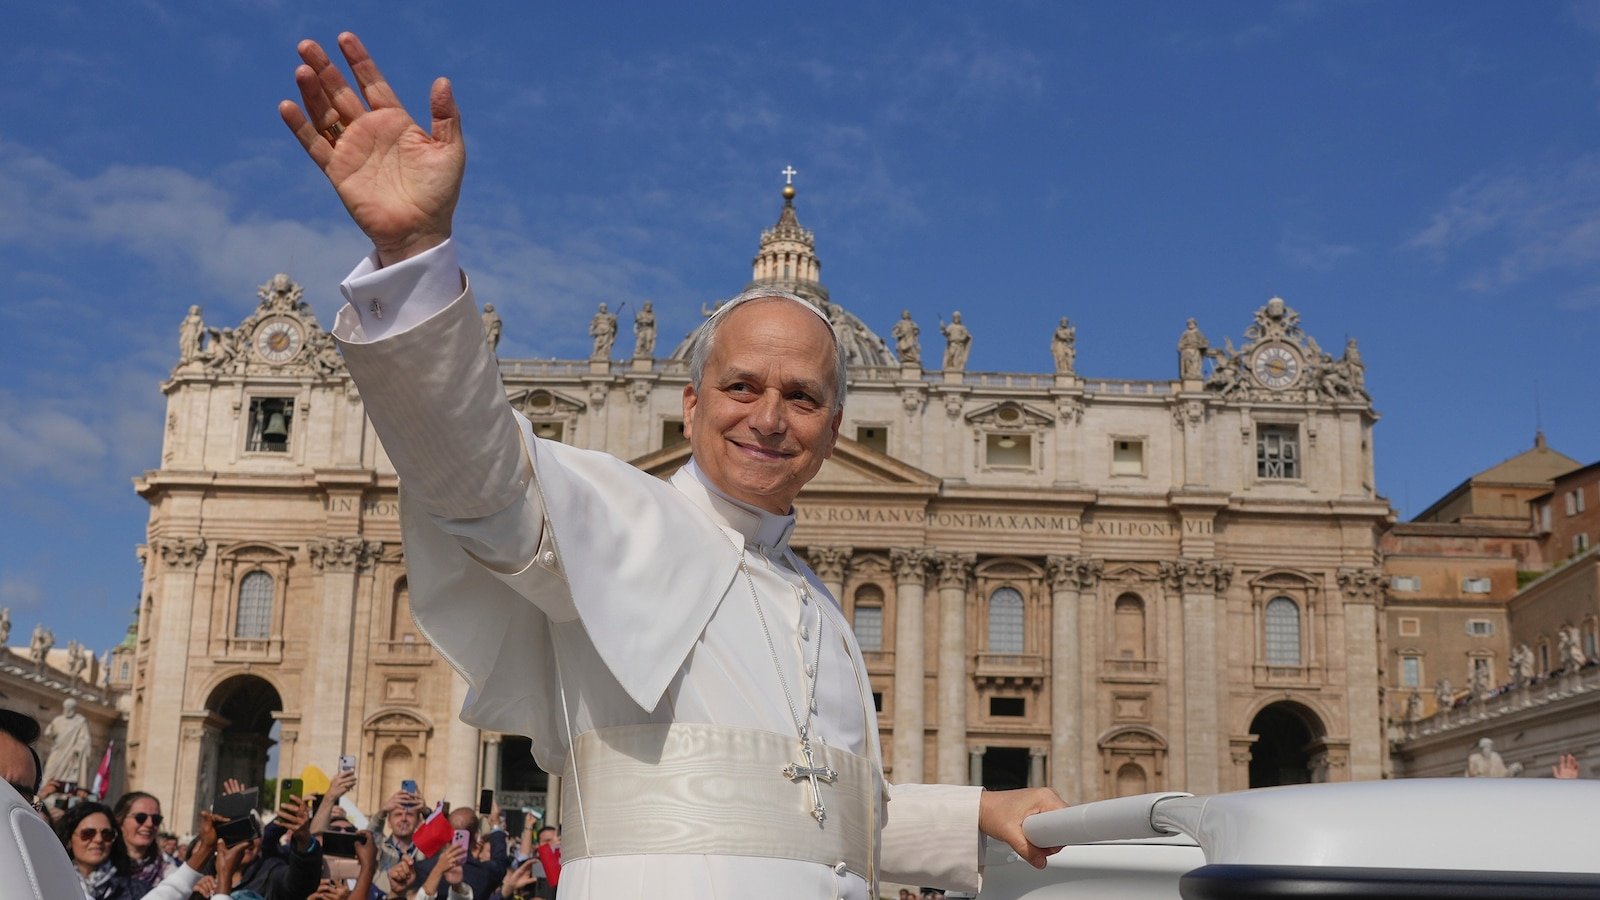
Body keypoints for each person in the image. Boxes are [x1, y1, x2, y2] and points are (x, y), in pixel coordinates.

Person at [279, 32, 1064, 899]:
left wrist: (976, 815)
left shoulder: (820, 609)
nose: (769, 418)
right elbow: (476, 471)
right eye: (740, 386)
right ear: (689, 407)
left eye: (801, 397)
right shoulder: (615, 516)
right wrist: (415, 258)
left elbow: (816, 818)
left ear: (838, 429)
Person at [55, 801, 215, 900]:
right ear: (70, 839)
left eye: (107, 834)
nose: (98, 840)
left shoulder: (136, 889)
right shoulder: (50, 881)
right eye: (88, 833)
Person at [112, 790, 174, 893]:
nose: (149, 824)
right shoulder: (98, 868)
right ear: (119, 821)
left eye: (156, 819)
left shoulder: (170, 874)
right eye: (140, 818)